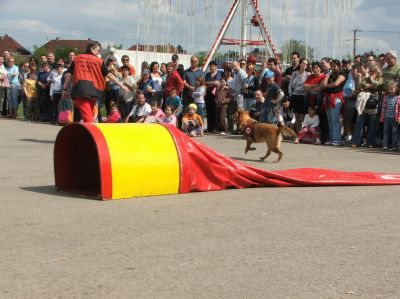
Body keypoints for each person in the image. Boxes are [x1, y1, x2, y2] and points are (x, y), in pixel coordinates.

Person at [62, 41, 128, 123]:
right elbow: (109, 75)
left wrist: (64, 89)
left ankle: (92, 133)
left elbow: (69, 75)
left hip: (80, 89)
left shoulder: (77, 59)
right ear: (92, 49)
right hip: (94, 90)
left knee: (87, 116)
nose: (98, 52)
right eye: (97, 50)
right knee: (90, 114)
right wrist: (121, 85)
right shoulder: (99, 61)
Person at [352, 64, 383, 148]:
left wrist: (372, 80)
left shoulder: (380, 79)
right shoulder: (366, 78)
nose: (371, 73)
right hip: (364, 103)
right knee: (359, 123)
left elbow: (379, 85)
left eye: (373, 71)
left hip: (374, 103)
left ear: (377, 71)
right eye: (371, 71)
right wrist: (370, 84)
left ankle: (370, 142)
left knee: (373, 125)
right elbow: (362, 86)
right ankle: (356, 141)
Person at [321, 59, 346, 146]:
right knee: (330, 120)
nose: (333, 68)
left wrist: (326, 86)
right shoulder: (330, 74)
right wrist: (327, 76)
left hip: (336, 98)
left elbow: (336, 84)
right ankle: (332, 139)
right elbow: (322, 85)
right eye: (331, 66)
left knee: (335, 120)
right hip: (328, 98)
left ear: (339, 66)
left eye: (334, 66)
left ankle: (337, 139)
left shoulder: (342, 74)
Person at [288, 58, 311, 132]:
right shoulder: (295, 73)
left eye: (306, 64)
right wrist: (291, 95)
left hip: (303, 96)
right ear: (300, 64)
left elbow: (309, 86)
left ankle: (301, 131)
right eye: (303, 63)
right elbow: (290, 85)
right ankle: (297, 133)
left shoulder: (308, 74)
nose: (305, 65)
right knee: (296, 116)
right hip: (295, 96)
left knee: (302, 116)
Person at [380, 82, 400, 151]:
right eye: (389, 89)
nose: (390, 91)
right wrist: (382, 117)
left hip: (394, 118)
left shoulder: (398, 98)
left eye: (392, 89)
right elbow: (383, 108)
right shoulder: (386, 97)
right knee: (385, 132)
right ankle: (385, 145)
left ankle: (395, 146)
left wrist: (399, 117)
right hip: (386, 117)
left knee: (394, 132)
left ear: (396, 89)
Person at [204, 61, 222, 133]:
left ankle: (215, 127)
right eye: (210, 66)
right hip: (208, 95)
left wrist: (209, 83)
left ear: (216, 67)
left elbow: (217, 83)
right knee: (209, 111)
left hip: (216, 95)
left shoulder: (219, 74)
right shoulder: (207, 74)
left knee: (215, 111)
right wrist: (213, 83)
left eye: (213, 66)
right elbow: (205, 83)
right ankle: (209, 127)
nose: (211, 67)